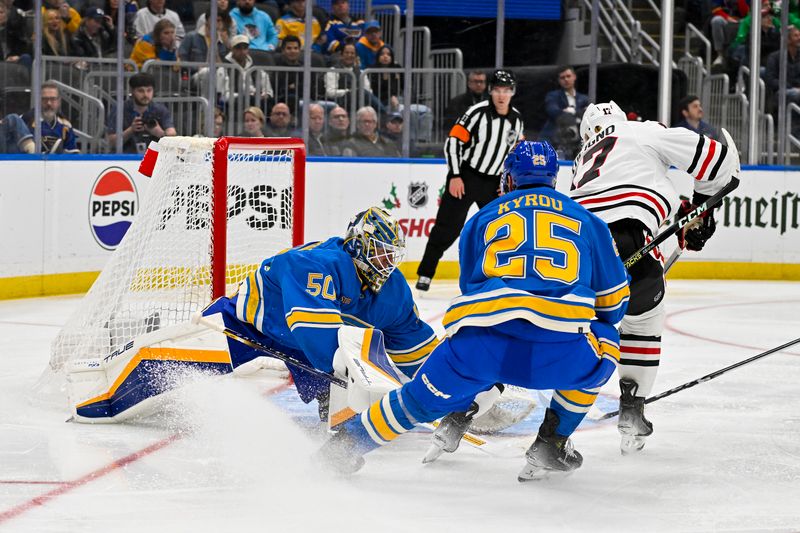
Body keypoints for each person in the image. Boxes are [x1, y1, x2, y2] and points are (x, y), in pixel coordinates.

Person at [317, 141, 630, 479]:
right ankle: (553, 440)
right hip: (561, 354)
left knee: (415, 400)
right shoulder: (588, 221)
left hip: (480, 349)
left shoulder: (481, 217)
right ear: (555, 178)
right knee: (606, 336)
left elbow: (472, 287)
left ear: (509, 179)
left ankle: (343, 448)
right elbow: (613, 306)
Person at [570, 101, 740, 454]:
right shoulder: (639, 130)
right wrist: (702, 209)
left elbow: (628, 194)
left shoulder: (582, 160)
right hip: (630, 242)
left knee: (575, 330)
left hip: (574, 252)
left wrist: (688, 216)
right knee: (643, 320)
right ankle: (632, 409)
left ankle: (551, 430)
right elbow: (717, 162)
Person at [199, 206, 439, 420]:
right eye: (380, 253)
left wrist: (448, 387)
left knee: (345, 411)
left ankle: (338, 421)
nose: (386, 263)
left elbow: (414, 347)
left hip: (303, 348)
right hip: (247, 322)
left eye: (391, 256)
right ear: (357, 244)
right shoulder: (317, 265)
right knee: (173, 367)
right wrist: (355, 378)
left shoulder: (393, 293)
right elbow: (316, 332)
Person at [416, 69, 524, 292]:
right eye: (497, 90)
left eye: (506, 90)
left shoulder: (517, 119)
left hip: (494, 183)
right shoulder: (476, 113)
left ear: (512, 92)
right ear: (490, 91)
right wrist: (455, 175)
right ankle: (426, 273)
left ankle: (501, 273)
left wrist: (507, 185)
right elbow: (453, 142)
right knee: (448, 227)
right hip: (467, 176)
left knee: (501, 228)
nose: (501, 96)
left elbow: (514, 154)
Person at [106, 72, 177, 154]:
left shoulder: (160, 110)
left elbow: (173, 135)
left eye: (149, 90)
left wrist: (160, 133)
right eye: (141, 91)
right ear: (132, 91)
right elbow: (111, 142)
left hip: (153, 158)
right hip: (125, 158)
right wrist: (130, 130)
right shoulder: (120, 109)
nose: (145, 95)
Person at [540, 66, 589, 159]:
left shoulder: (584, 99)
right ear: (559, 80)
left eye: (568, 76)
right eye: (562, 77)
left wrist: (571, 111)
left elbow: (587, 115)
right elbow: (553, 111)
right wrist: (578, 114)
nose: (566, 79)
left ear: (574, 76)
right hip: (555, 138)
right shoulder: (553, 96)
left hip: (578, 141)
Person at [22, 81, 80, 154]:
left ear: (59, 101)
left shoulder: (65, 125)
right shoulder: (26, 120)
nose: (49, 103)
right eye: (45, 99)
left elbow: (72, 153)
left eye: (52, 99)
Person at [765, 25, 800, 109]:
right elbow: (770, 79)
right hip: (781, 91)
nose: (799, 38)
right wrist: (791, 86)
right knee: (795, 94)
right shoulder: (774, 57)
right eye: (796, 36)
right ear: (787, 40)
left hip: (797, 89)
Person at [708, 0, 749, 67]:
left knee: (749, 22)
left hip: (742, 20)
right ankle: (720, 55)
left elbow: (746, 12)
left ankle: (739, 55)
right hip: (725, 18)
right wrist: (727, 17)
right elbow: (715, 9)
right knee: (716, 21)